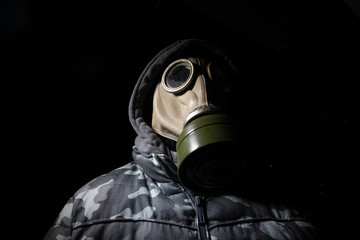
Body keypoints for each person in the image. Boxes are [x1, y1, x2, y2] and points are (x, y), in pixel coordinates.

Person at [44, 39, 318, 240]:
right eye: (179, 77)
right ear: (149, 100)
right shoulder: (91, 206)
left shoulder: (286, 210)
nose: (202, 93)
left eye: (216, 80)